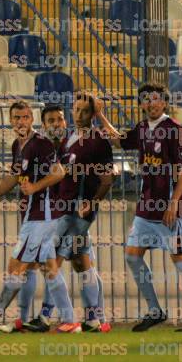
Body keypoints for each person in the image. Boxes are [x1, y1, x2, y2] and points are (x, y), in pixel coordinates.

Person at [95, 83, 182, 332]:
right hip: (147, 206)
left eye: (156, 99)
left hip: (171, 205)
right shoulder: (143, 128)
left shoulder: (174, 129)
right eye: (146, 100)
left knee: (180, 258)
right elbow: (120, 142)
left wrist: (173, 203)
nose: (151, 103)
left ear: (164, 103)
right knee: (132, 256)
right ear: (142, 104)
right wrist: (100, 115)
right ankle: (155, 311)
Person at [0, 101, 80, 334]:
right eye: (16, 118)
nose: (21, 122)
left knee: (17, 266)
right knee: (49, 268)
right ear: (11, 121)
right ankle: (71, 321)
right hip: (35, 214)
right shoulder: (17, 146)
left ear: (32, 120)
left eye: (25, 117)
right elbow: (13, 179)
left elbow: (59, 172)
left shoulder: (41, 144)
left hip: (42, 215)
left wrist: (36, 186)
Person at [23, 96, 114, 333]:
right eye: (76, 109)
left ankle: (46, 317)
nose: (79, 114)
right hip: (64, 210)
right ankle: (95, 318)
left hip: (78, 213)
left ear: (92, 114)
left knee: (52, 258)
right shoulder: (67, 141)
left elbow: (108, 177)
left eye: (85, 111)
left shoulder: (98, 140)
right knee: (82, 262)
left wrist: (91, 203)